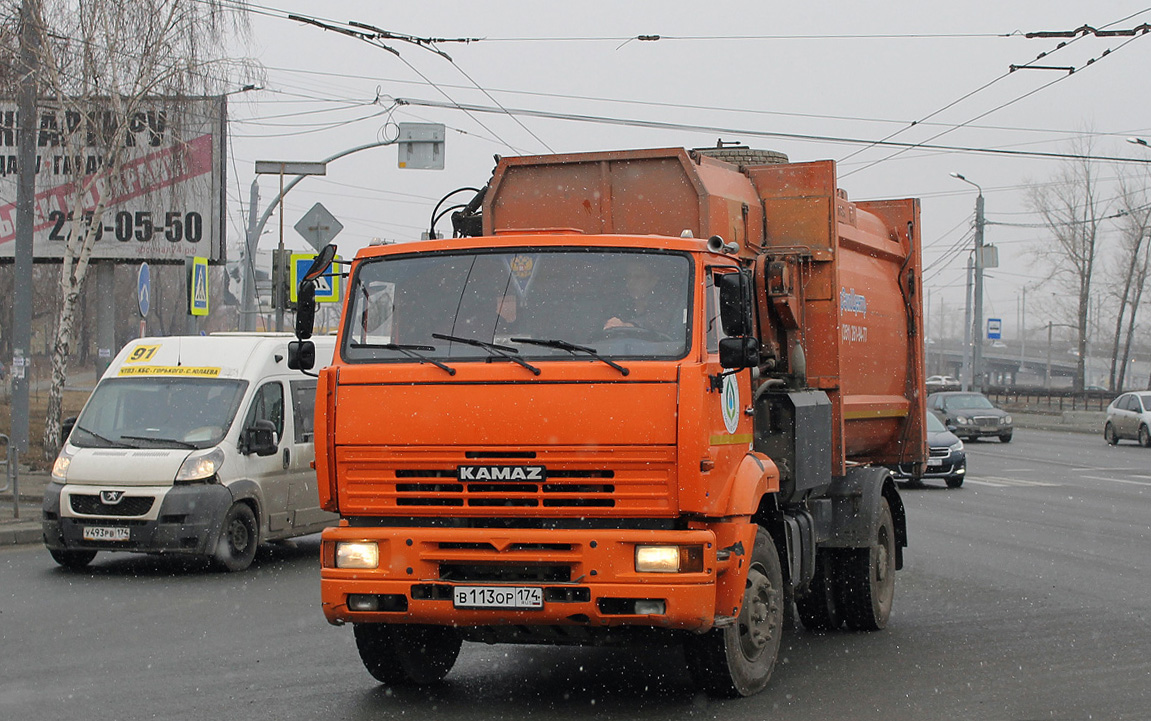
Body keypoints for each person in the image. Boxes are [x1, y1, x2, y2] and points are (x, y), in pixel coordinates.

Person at [603, 259, 677, 338]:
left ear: (653, 281)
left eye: (638, 277)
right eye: (628, 276)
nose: (631, 282)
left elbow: (657, 321)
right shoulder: (620, 304)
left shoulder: (666, 304)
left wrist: (626, 326)